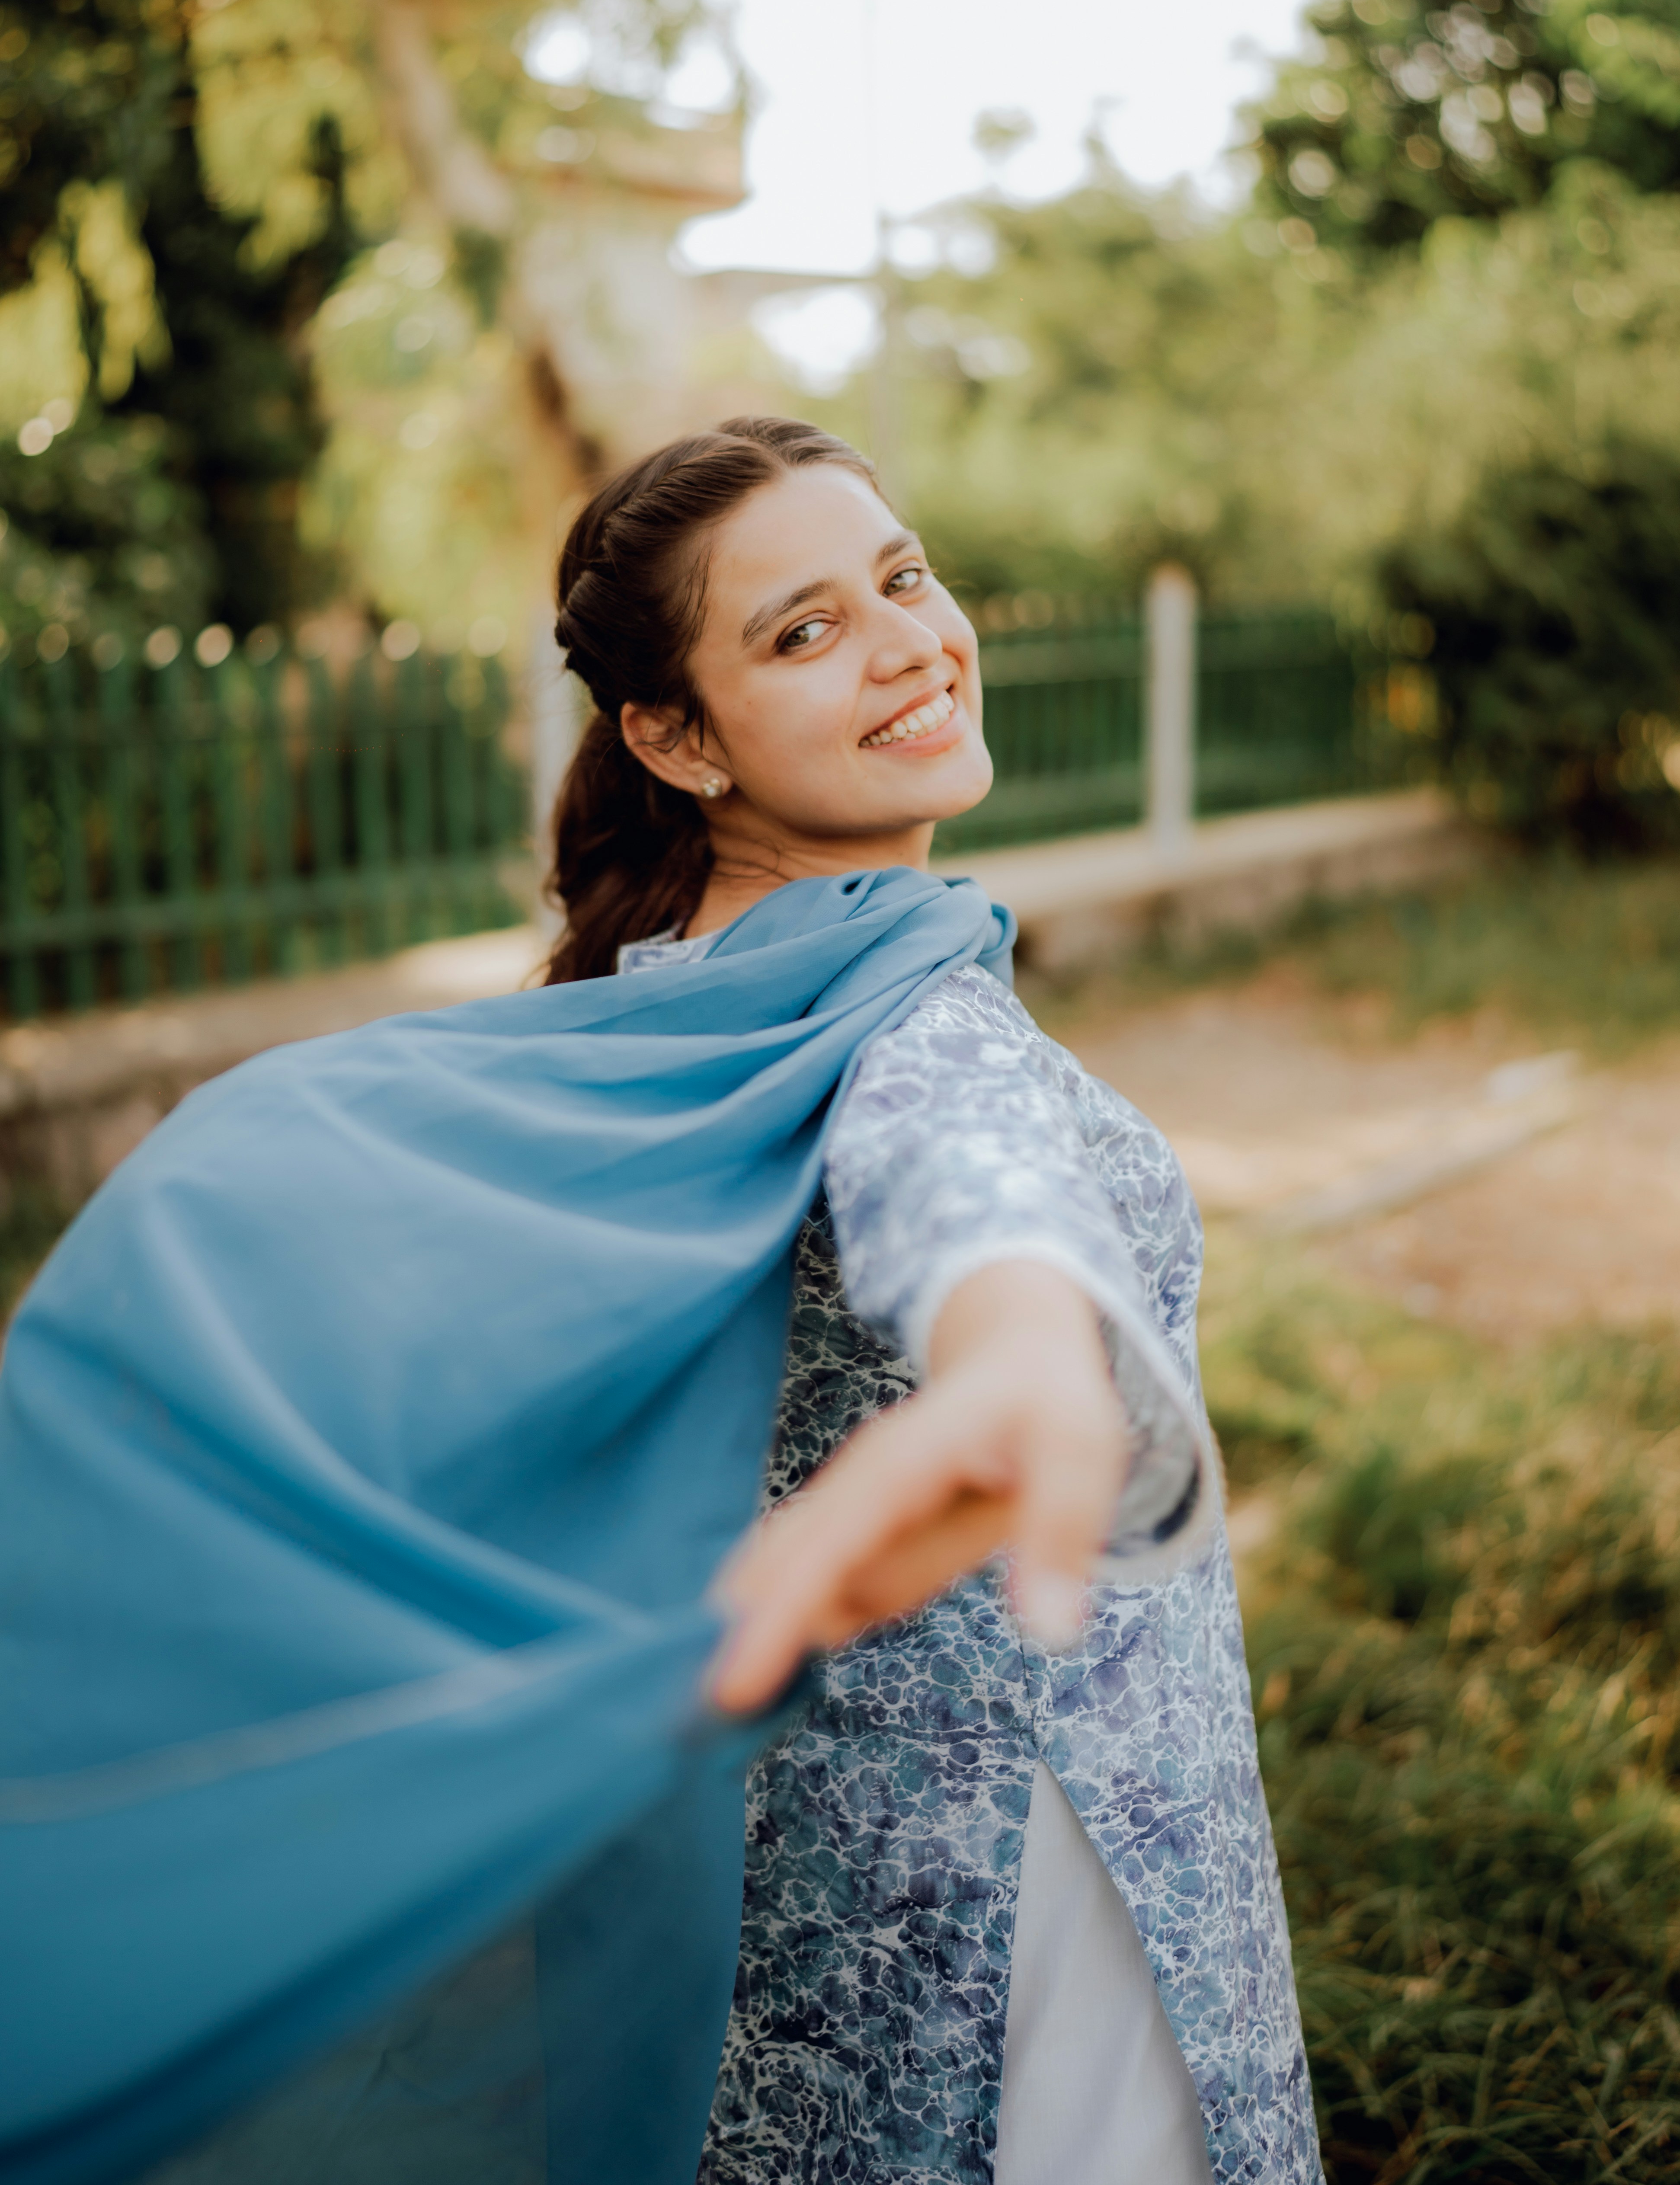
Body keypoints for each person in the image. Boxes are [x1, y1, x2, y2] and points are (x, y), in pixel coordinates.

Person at [542, 418, 1322, 2184]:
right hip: (1040, 1854)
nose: (910, 641)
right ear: (670, 736)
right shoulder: (892, 1014)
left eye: (903, 577)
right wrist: (1025, 1345)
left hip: (804, 1872)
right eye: (802, 631)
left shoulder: (695, 998)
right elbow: (963, 1168)